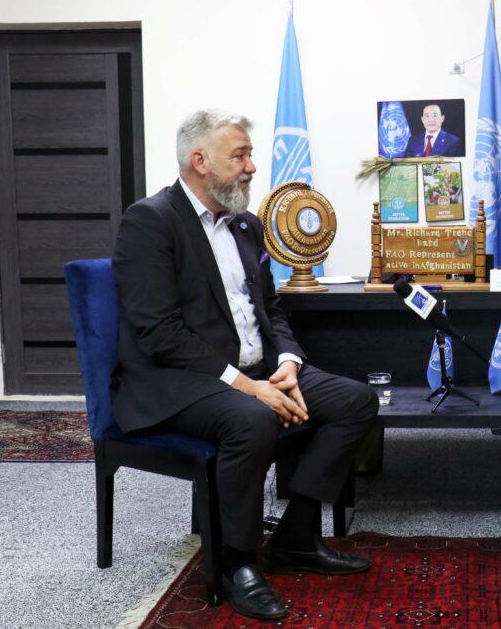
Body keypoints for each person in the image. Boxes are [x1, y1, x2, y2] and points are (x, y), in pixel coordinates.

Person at [112, 109, 380, 621]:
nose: (252, 167)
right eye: (239, 156)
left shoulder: (246, 224)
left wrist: (288, 364)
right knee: (254, 418)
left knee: (355, 401)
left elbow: (270, 309)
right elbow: (159, 333)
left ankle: (296, 536)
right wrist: (247, 386)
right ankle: (238, 561)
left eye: (249, 155)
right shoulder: (150, 222)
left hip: (256, 369)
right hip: (179, 380)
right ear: (200, 161)